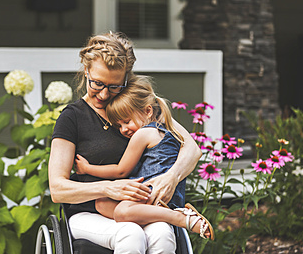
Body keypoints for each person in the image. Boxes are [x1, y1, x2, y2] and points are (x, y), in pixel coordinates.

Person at [48, 32, 202, 254]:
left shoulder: (138, 107)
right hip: (91, 211)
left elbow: (192, 149)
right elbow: (58, 189)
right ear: (86, 70)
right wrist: (108, 188)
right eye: (97, 83)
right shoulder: (73, 118)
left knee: (162, 235)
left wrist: (171, 177)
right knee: (130, 235)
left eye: (114, 86)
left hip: (138, 206)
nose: (103, 94)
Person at [75, 76, 214, 240]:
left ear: (148, 111)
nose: (123, 129)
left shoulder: (142, 134)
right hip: (166, 195)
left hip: (155, 194)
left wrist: (86, 168)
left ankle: (180, 218)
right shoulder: (164, 130)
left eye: (126, 121)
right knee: (102, 203)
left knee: (121, 211)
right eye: (119, 125)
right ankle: (147, 216)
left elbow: (121, 171)